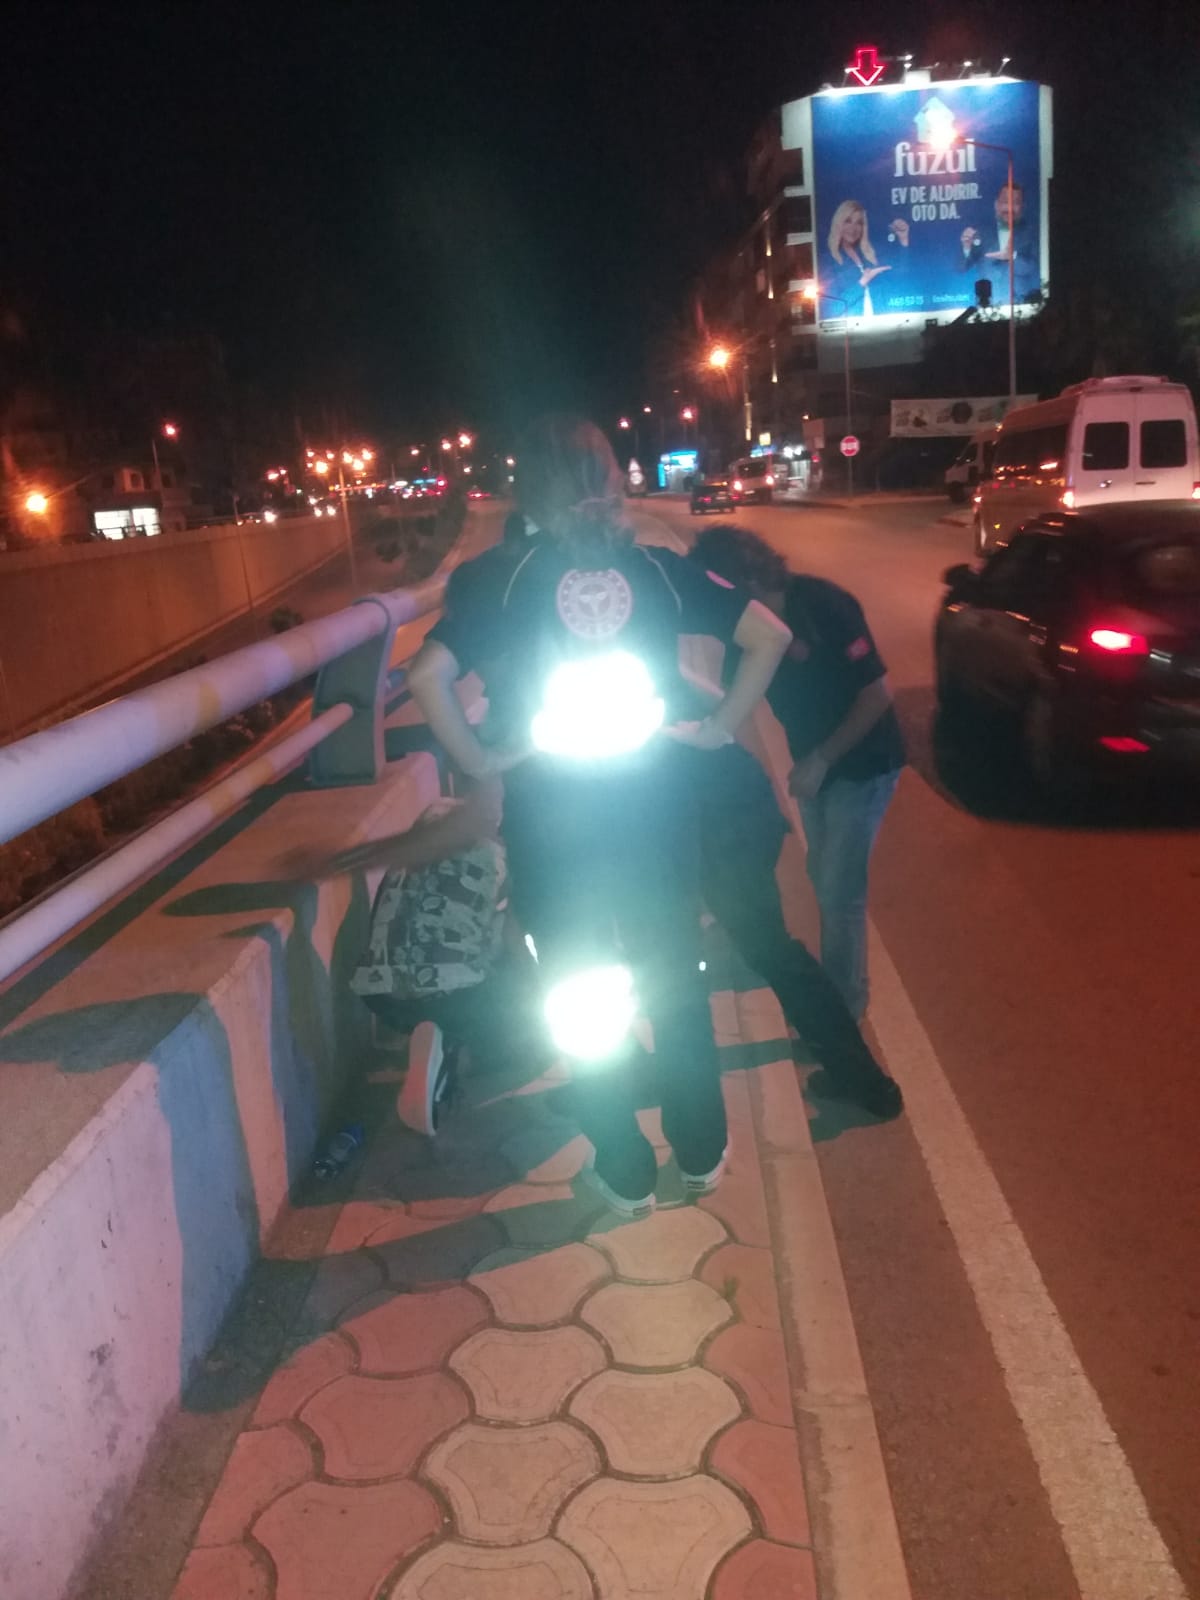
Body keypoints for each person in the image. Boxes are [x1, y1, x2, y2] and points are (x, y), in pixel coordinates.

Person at [408, 416, 790, 1216]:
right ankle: (701, 1149)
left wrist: (483, 759)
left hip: (553, 828)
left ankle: (623, 1165)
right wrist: (716, 728)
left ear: (530, 491)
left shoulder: (496, 579)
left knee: (578, 994)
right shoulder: (657, 572)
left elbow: (425, 677)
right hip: (655, 816)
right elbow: (769, 637)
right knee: (673, 973)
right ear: (614, 484)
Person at [690, 525, 903, 1024]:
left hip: (865, 763)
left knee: (838, 890)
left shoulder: (824, 605)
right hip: (813, 767)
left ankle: (843, 1013)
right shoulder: (747, 630)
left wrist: (823, 759)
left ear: (742, 579)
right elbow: (729, 702)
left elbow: (877, 695)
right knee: (822, 876)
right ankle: (836, 997)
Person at [825, 199, 910, 317]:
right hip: (852, 325)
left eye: (859, 223)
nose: (853, 228)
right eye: (848, 221)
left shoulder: (870, 253)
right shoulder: (829, 261)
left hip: (883, 321)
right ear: (838, 224)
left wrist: (903, 240)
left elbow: (901, 273)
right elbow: (833, 309)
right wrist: (862, 282)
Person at [957, 181, 1039, 302]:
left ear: (1022, 207)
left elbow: (1035, 268)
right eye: (1005, 201)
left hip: (1022, 306)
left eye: (1015, 203)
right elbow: (961, 268)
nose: (1009, 207)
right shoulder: (981, 233)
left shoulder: (1032, 232)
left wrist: (1013, 256)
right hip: (988, 307)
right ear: (996, 205)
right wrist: (966, 248)